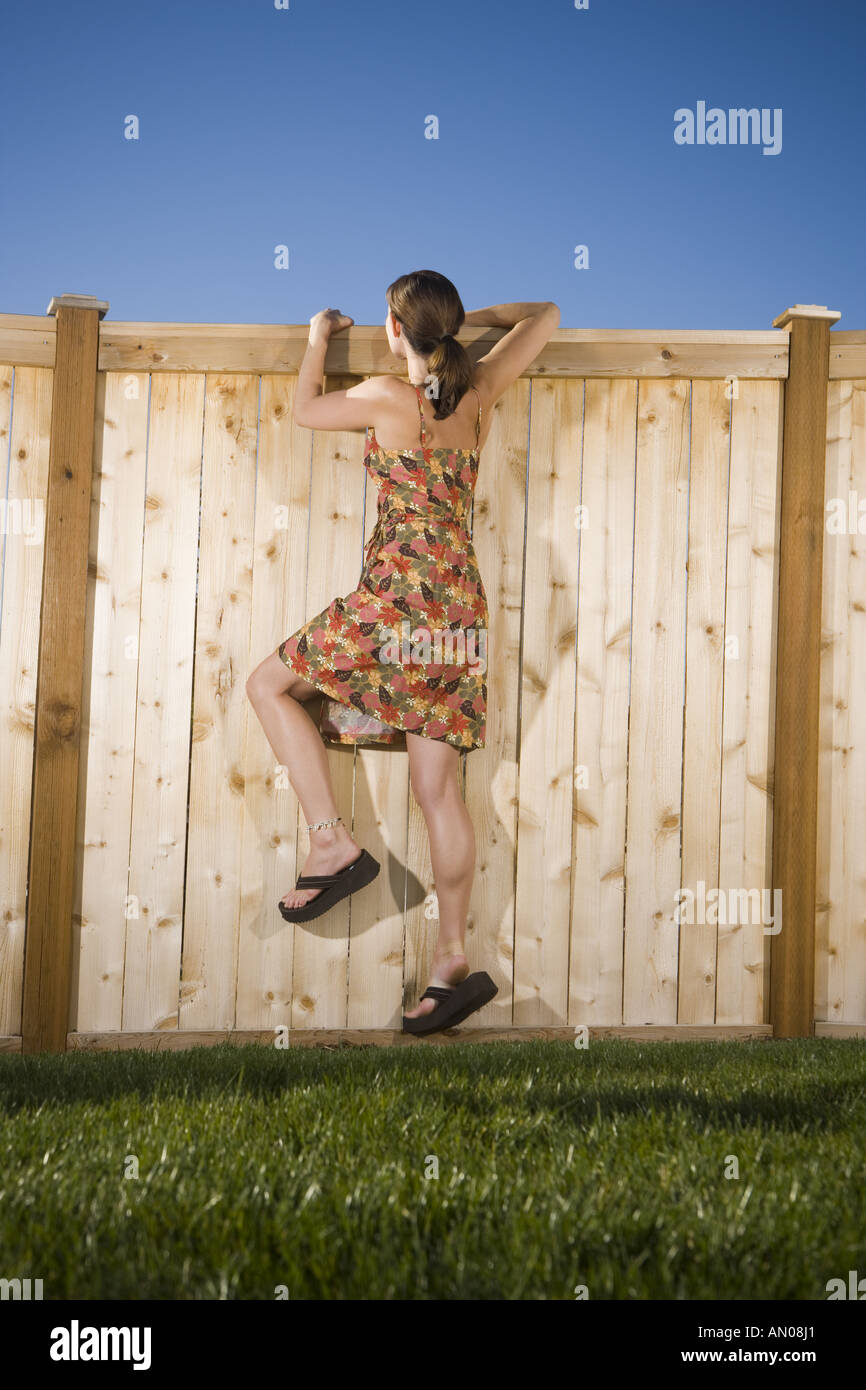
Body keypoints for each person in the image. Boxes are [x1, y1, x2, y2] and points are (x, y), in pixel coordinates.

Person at [246, 270, 559, 1031]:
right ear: (443, 331)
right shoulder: (478, 392)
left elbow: (303, 409)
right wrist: (462, 325)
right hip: (456, 605)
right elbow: (545, 311)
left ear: (393, 331)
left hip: (394, 600)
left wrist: (318, 337)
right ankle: (451, 959)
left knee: (267, 686)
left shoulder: (389, 398)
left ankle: (333, 846)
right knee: (440, 791)